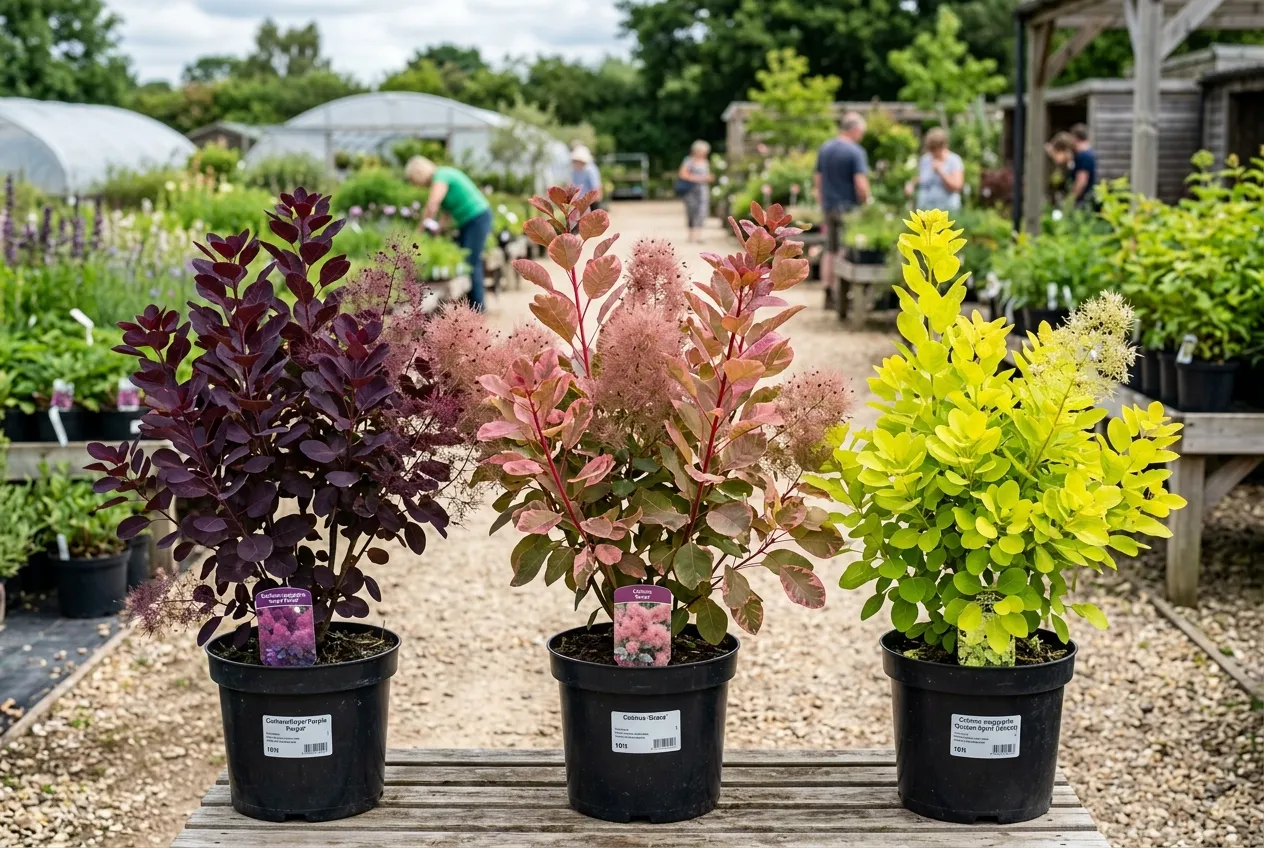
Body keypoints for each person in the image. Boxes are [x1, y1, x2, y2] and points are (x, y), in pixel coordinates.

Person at [406, 156, 493, 311]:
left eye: (414, 180)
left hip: (477, 218)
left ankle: (478, 309)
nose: (416, 184)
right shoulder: (443, 176)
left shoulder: (441, 176)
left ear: (418, 173)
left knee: (471, 262)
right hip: (470, 221)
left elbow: (433, 205)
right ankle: (472, 307)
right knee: (467, 261)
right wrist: (439, 229)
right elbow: (447, 211)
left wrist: (420, 230)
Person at [814, 112, 871, 287]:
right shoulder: (855, 152)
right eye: (861, 132)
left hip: (829, 205)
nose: (861, 136)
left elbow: (818, 179)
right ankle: (840, 290)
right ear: (854, 129)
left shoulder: (825, 148)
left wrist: (822, 200)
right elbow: (860, 183)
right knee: (845, 249)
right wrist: (867, 200)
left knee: (829, 249)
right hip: (848, 207)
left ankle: (827, 289)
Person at [909, 127, 964, 212]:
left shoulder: (954, 160)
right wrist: (912, 184)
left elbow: (957, 186)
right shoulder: (925, 159)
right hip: (925, 208)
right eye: (930, 148)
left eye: (935, 148)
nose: (932, 152)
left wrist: (941, 172)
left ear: (943, 146)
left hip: (947, 209)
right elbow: (922, 179)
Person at [677, 140, 713, 241]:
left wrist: (708, 178)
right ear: (696, 151)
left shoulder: (705, 162)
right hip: (691, 190)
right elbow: (683, 174)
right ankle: (691, 235)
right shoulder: (688, 161)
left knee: (702, 212)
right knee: (691, 212)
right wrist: (699, 179)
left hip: (703, 190)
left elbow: (707, 175)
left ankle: (698, 235)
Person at [1068, 123, 1098, 206]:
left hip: (1083, 200)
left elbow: (1082, 180)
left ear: (1075, 138)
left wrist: (1071, 199)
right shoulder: (1089, 153)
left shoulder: (1084, 155)